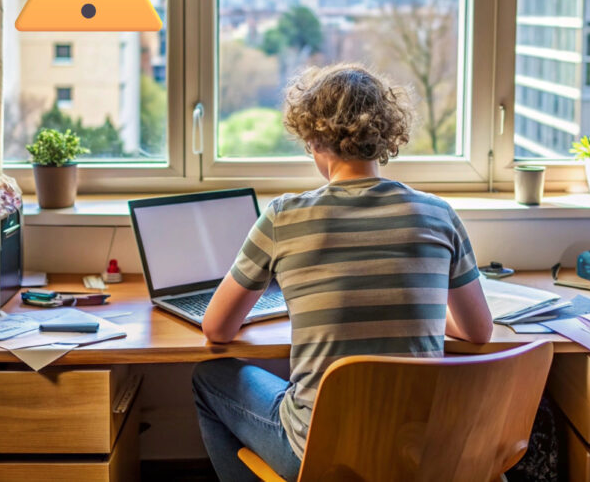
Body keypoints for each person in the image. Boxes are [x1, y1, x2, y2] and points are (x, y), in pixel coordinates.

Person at [192, 63, 493, 482]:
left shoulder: (283, 217)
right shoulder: (438, 215)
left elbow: (216, 329)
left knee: (208, 379)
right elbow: (479, 332)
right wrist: (412, 310)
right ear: (385, 136)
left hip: (322, 457)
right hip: (419, 454)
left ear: (313, 138)